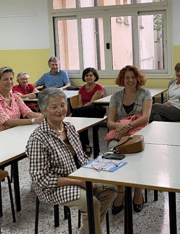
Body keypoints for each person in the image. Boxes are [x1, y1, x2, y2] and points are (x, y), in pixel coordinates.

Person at [25, 88, 116, 234]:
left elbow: (82, 158)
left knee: (111, 188)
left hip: (78, 177)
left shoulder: (70, 128)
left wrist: (96, 172)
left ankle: (87, 231)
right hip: (54, 188)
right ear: (43, 110)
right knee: (91, 203)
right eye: (53, 107)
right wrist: (78, 182)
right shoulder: (38, 139)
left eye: (62, 105)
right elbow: (41, 179)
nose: (60, 110)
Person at [107, 65, 152, 215]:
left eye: (133, 77)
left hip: (139, 133)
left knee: (137, 154)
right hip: (120, 132)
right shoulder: (116, 97)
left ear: (138, 78)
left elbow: (145, 117)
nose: (130, 80)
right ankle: (121, 190)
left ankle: (138, 191)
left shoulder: (145, 93)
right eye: (127, 77)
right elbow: (110, 122)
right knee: (113, 150)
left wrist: (128, 126)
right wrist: (121, 127)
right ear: (122, 79)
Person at [72, 67, 106, 156]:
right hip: (84, 110)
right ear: (84, 77)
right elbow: (80, 103)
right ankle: (85, 144)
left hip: (97, 109)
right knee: (80, 120)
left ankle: (82, 145)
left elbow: (92, 102)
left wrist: (77, 111)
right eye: (86, 75)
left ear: (95, 77)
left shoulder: (99, 87)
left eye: (91, 75)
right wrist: (78, 110)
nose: (89, 77)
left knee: (76, 114)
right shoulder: (82, 88)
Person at [0, 67, 43, 131]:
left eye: (11, 79)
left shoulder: (15, 97)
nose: (9, 82)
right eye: (5, 79)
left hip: (15, 132)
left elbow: (28, 113)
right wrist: (34, 120)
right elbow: (8, 122)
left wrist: (46, 116)